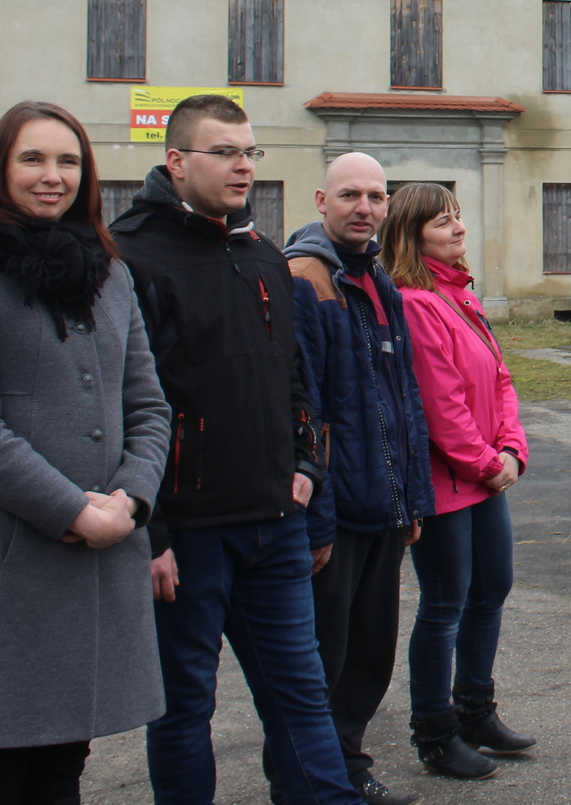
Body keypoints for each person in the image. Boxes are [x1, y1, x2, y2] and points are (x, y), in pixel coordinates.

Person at [108, 93, 364, 805]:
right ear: (178, 160)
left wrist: (308, 471)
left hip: (274, 526)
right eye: (225, 152)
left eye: (250, 151)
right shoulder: (129, 257)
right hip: (185, 534)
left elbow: (294, 381)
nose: (243, 166)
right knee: (185, 709)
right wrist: (148, 530)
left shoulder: (261, 255)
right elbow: (128, 404)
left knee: (301, 695)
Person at [0, 100, 170, 805]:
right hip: (11, 562)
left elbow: (148, 404)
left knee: (64, 763)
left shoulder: (108, 274)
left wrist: (131, 498)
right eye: (32, 158)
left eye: (67, 161)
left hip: (103, 554)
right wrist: (72, 511)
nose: (51, 176)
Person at [277, 154, 435, 805]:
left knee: (369, 655)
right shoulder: (305, 278)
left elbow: (404, 400)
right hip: (336, 515)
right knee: (321, 660)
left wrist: (413, 501)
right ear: (321, 200)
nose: (363, 207)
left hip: (386, 507)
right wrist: (316, 521)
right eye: (350, 195)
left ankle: (347, 765)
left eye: (375, 196)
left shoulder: (380, 283)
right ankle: (307, 781)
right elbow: (302, 407)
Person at [380, 184, 535, 780]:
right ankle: (435, 731)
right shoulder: (417, 301)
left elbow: (499, 379)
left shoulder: (460, 295)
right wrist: (485, 462)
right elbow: (440, 404)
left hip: (487, 473)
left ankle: (476, 709)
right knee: (444, 605)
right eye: (443, 222)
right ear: (413, 233)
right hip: (450, 482)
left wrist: (513, 449)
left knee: (492, 587)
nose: (458, 229)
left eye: (458, 218)